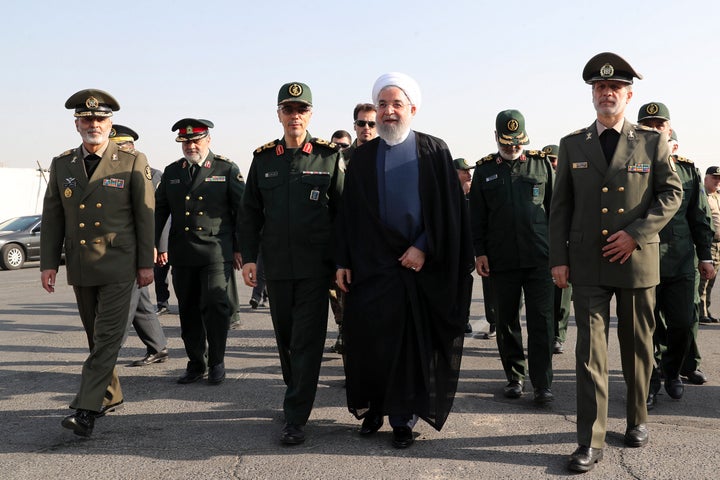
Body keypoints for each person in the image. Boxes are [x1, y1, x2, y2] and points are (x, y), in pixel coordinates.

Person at [549, 52, 682, 473]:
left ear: (628, 95)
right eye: (600, 88)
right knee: (590, 354)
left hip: (636, 261)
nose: (606, 94)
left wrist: (637, 234)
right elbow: (560, 207)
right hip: (587, 262)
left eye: (614, 89)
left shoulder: (652, 140)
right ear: (593, 94)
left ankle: (638, 418)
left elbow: (671, 193)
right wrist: (558, 259)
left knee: (638, 347)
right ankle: (590, 439)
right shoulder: (572, 144)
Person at [335, 72, 473, 449]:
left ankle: (402, 419)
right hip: (370, 266)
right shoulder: (361, 157)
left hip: (416, 266)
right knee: (370, 342)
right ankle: (374, 410)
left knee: (409, 347)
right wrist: (343, 260)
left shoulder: (434, 150)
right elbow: (349, 216)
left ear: (413, 109)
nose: (388, 111)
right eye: (382, 105)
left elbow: (450, 212)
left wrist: (424, 246)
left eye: (397, 104)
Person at [40, 89, 155, 437]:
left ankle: (86, 410)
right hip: (82, 265)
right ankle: (110, 394)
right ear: (77, 125)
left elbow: (144, 216)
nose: (94, 124)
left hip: (120, 264)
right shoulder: (63, 164)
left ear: (111, 123)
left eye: (100, 119)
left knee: (106, 339)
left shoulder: (133, 160)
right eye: (87, 119)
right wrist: (49, 263)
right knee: (96, 339)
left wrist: (146, 262)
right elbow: (54, 217)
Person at [239, 82, 345, 445]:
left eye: (301, 109)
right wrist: (249, 257)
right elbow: (250, 212)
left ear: (311, 114)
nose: (295, 115)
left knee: (307, 342)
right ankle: (296, 390)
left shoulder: (329, 156)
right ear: (279, 114)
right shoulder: (264, 158)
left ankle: (296, 415)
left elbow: (344, 214)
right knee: (286, 339)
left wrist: (343, 262)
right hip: (278, 268)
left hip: (317, 268)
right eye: (288, 109)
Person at [470, 110, 555, 404]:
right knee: (506, 322)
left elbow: (557, 209)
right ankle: (514, 377)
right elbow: (477, 217)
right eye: (506, 143)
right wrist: (480, 252)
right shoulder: (483, 171)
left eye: (516, 142)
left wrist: (561, 253)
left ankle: (543, 383)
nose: (512, 147)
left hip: (539, 258)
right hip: (501, 259)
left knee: (541, 323)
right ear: (496, 138)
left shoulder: (541, 164)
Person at [636, 103, 714, 409]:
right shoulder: (631, 167)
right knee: (646, 328)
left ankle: (672, 371)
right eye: (648, 125)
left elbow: (699, 218)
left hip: (681, 262)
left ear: (669, 130)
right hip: (644, 262)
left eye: (660, 125)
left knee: (682, 324)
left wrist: (705, 256)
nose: (654, 130)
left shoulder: (687, 170)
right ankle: (652, 381)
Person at [154, 118, 244, 385]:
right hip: (183, 253)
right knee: (189, 309)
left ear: (208, 140)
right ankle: (196, 362)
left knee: (215, 305)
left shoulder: (226, 168)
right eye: (186, 141)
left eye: (196, 140)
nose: (191, 145)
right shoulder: (172, 172)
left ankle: (217, 361)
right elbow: (160, 210)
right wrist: (157, 244)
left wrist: (241, 249)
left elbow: (242, 212)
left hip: (216, 251)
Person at [108, 124, 170, 367]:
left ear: (130, 148)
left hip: (137, 247)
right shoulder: (110, 174)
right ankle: (158, 346)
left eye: (118, 148)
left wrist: (157, 246)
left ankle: (106, 355)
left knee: (124, 303)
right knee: (142, 302)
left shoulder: (151, 175)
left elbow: (156, 215)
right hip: (120, 247)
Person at [543, 143, 571, 354]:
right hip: (542, 245)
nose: (552, 164)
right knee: (543, 296)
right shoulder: (538, 180)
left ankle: (558, 335)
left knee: (561, 295)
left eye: (554, 160)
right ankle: (545, 334)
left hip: (564, 245)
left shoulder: (571, 181)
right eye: (548, 160)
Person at [454, 158, 475, 335]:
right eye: (464, 171)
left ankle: (464, 319)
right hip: (452, 250)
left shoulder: (474, 195)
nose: (469, 174)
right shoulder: (448, 196)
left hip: (469, 250)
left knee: (466, 284)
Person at [699, 166, 720, 324]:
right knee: (704, 279)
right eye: (715, 178)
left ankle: (707, 309)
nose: (718, 181)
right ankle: (700, 312)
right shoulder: (701, 195)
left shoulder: (718, 196)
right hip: (708, 243)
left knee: (712, 280)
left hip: (719, 245)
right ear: (706, 179)